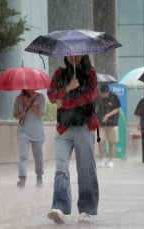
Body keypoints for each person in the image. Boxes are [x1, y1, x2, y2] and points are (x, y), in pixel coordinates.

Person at [47, 55, 99, 224]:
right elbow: (52, 96)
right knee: (61, 167)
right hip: (64, 128)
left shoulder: (91, 74)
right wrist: (68, 87)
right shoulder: (58, 73)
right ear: (66, 56)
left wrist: (65, 103)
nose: (74, 57)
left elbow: (90, 97)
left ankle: (86, 209)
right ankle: (60, 207)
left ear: (83, 55)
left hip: (84, 126)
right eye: (70, 54)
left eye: (78, 54)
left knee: (85, 169)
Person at [13, 89, 45, 188]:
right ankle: (22, 178)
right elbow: (15, 114)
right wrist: (20, 115)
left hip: (37, 131)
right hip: (23, 131)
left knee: (38, 157)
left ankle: (39, 176)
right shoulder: (19, 98)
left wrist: (29, 104)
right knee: (23, 156)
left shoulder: (40, 97)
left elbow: (41, 113)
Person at [95, 84, 121, 168]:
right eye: (102, 93)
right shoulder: (97, 97)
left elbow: (117, 109)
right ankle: (103, 159)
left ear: (108, 91)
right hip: (100, 124)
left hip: (112, 123)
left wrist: (108, 115)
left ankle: (111, 160)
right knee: (100, 141)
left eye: (105, 93)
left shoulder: (114, 97)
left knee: (111, 143)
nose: (104, 95)